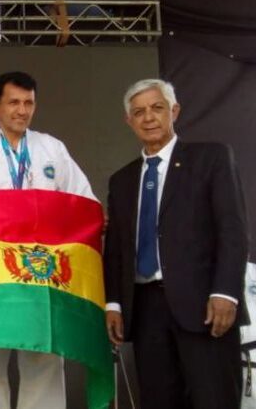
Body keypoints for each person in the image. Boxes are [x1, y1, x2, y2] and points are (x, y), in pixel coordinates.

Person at [0, 71, 94, 409]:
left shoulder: (51, 149)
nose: (22, 110)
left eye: (29, 102)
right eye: (13, 102)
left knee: (43, 360)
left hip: (41, 274)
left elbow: (84, 203)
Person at [103, 78, 248, 409]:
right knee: (158, 400)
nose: (148, 118)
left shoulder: (210, 158)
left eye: (157, 108)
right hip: (145, 309)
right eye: (138, 112)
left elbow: (233, 230)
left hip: (205, 305)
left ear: (175, 111)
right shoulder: (121, 180)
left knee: (214, 399)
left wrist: (226, 292)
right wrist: (113, 303)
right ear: (129, 121)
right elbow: (116, 249)